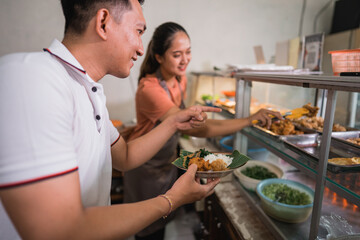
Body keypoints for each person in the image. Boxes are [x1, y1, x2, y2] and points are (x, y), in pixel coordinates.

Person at [0, 1, 222, 239]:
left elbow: (124, 157)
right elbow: (58, 229)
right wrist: (172, 199)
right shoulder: (31, 75)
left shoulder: (89, 91)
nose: (140, 48)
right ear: (103, 22)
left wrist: (174, 122)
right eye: (138, 31)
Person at [124, 22, 283, 240]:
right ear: (159, 57)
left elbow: (191, 124)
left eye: (188, 52)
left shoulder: (180, 80)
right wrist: (248, 120)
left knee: (164, 218)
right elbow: (200, 129)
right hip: (146, 168)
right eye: (177, 54)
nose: (185, 60)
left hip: (166, 161)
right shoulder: (150, 89)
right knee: (150, 230)